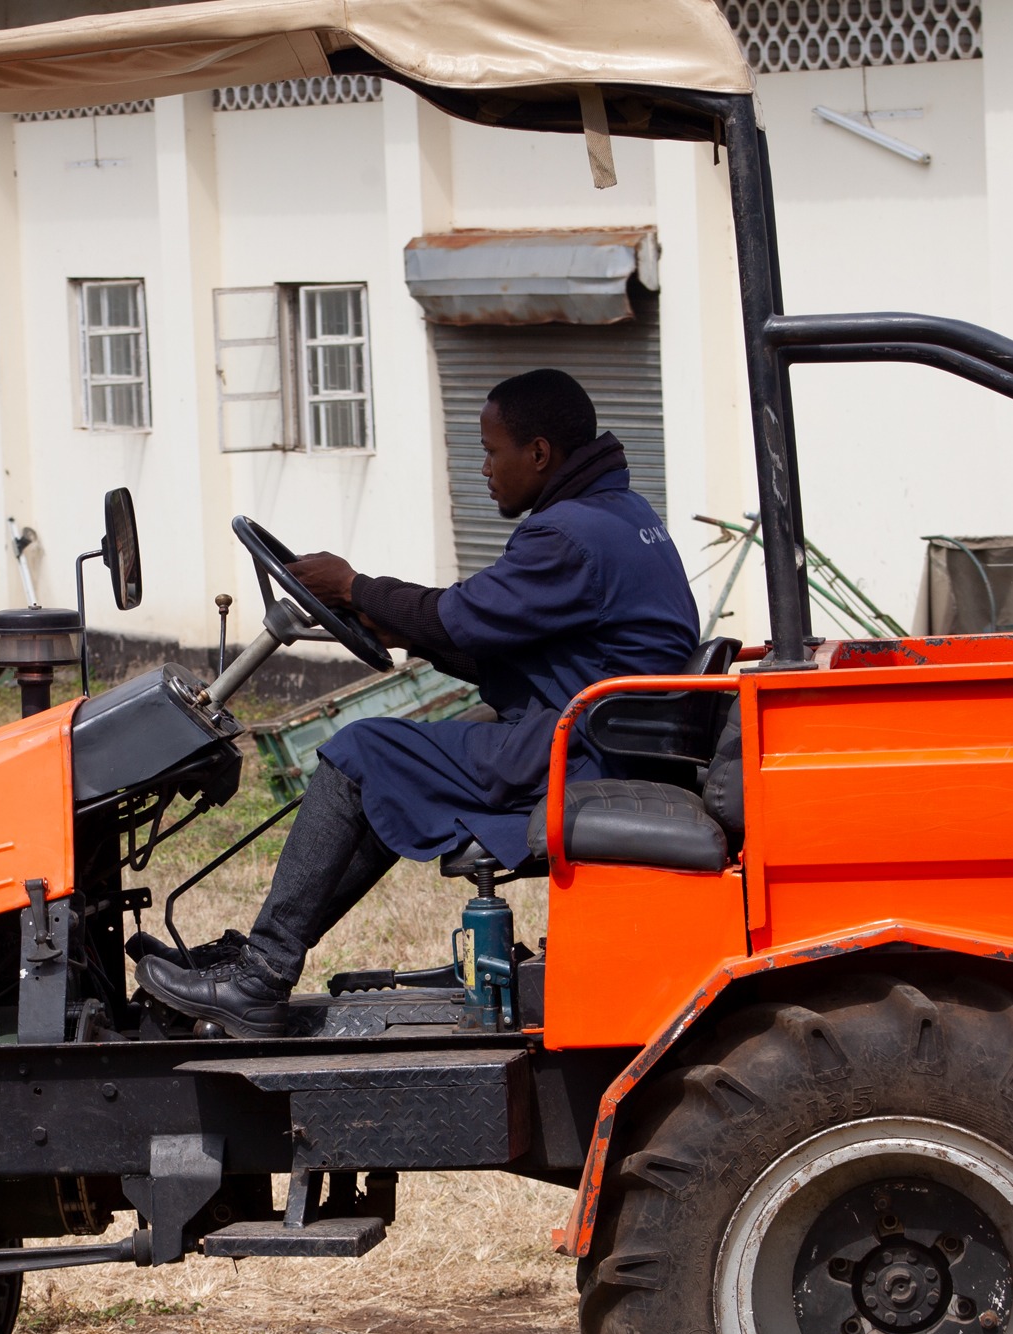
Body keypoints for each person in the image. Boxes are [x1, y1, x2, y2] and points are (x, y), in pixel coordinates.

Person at [138, 368, 698, 1037]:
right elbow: (498, 639)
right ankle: (261, 959)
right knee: (394, 776)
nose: (483, 468)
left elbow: (463, 617)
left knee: (360, 752)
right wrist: (395, 625)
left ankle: (258, 979)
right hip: (605, 739)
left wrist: (354, 586)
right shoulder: (620, 513)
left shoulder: (567, 536)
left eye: (492, 451)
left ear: (540, 453)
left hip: (580, 756)